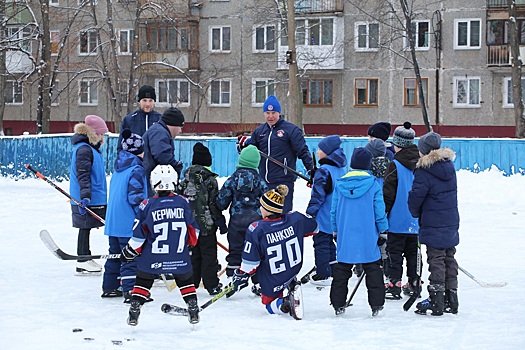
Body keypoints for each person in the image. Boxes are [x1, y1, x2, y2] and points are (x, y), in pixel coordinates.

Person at [120, 164, 200, 326]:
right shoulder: (183, 202)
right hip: (179, 256)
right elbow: (193, 230)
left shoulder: (147, 205)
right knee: (185, 281)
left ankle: (135, 310)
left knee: (143, 281)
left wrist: (130, 251)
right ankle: (192, 307)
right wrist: (189, 244)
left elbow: (139, 235)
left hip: (153, 257)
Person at [226, 185, 318, 320]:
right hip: (293, 269)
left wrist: (240, 275)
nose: (259, 209)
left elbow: (250, 263)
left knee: (269, 305)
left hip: (274, 277)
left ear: (267, 210)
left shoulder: (257, 229)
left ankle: (285, 303)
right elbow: (314, 228)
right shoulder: (295, 218)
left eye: (262, 206)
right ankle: (290, 282)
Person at [329, 147, 388, 317]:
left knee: (342, 271)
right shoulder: (373, 185)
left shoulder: (340, 185)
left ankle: (338, 303)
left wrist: (335, 230)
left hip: (345, 235)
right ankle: (376, 304)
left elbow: (333, 211)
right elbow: (379, 211)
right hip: (368, 235)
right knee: (373, 270)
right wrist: (383, 231)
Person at [408, 132, 460, 316]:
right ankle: (451, 298)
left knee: (436, 260)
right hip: (450, 221)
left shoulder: (424, 171)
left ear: (424, 152)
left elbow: (416, 199)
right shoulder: (449, 167)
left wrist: (414, 212)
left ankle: (437, 299)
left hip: (433, 222)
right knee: (449, 258)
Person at [236, 95, 313, 213]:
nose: (270, 116)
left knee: (282, 216)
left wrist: (311, 170)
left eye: (273, 112)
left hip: (283, 183)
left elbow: (302, 151)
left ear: (279, 113)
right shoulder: (260, 131)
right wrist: (242, 147)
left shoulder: (291, 130)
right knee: (263, 216)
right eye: (267, 112)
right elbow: (250, 150)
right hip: (263, 182)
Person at [102, 129, 147, 302]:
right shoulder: (136, 170)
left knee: (114, 254)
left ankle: (110, 286)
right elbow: (135, 197)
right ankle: (131, 290)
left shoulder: (119, 169)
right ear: (139, 151)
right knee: (131, 256)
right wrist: (143, 216)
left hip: (113, 223)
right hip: (128, 223)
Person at [217, 145, 268, 294]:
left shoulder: (232, 179)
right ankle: (259, 283)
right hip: (256, 224)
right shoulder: (260, 181)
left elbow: (221, 202)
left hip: (236, 222)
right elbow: (268, 200)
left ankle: (233, 279)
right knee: (257, 252)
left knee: (235, 250)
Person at [178, 142, 227, 296]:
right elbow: (214, 204)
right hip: (206, 226)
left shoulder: (184, 179)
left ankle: (191, 283)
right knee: (209, 256)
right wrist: (220, 220)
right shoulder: (210, 180)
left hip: (189, 226)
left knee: (193, 254)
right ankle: (211, 285)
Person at [383, 121, 420, 300]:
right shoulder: (421, 163)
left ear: (398, 144)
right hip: (415, 220)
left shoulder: (395, 165)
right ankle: (414, 283)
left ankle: (394, 284)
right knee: (413, 253)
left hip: (397, 219)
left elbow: (388, 194)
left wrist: (382, 214)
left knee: (394, 253)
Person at [304, 135, 347, 285]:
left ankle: (323, 273)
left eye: (320, 149)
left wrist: (310, 212)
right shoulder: (340, 169)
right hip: (335, 213)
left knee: (320, 242)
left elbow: (318, 195)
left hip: (323, 214)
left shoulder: (324, 171)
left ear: (328, 152)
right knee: (330, 242)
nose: (317, 152)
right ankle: (333, 268)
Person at [70, 115, 109, 275]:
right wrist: (85, 196)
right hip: (86, 198)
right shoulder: (84, 150)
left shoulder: (90, 149)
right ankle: (83, 259)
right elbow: (83, 174)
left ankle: (85, 257)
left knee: (86, 228)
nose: (102, 138)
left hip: (94, 196)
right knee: (85, 227)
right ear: (92, 133)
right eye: (100, 134)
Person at [142, 107, 185, 197]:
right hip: (151, 182)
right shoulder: (159, 132)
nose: (180, 131)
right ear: (173, 124)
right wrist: (175, 166)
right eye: (180, 127)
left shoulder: (159, 131)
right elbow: (162, 156)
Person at [117, 85, 162, 150]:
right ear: (139, 101)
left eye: (150, 100)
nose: (147, 104)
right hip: (135, 159)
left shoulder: (160, 120)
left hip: (155, 159)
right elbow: (121, 145)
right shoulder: (129, 120)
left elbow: (166, 144)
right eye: (144, 100)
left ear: (154, 102)